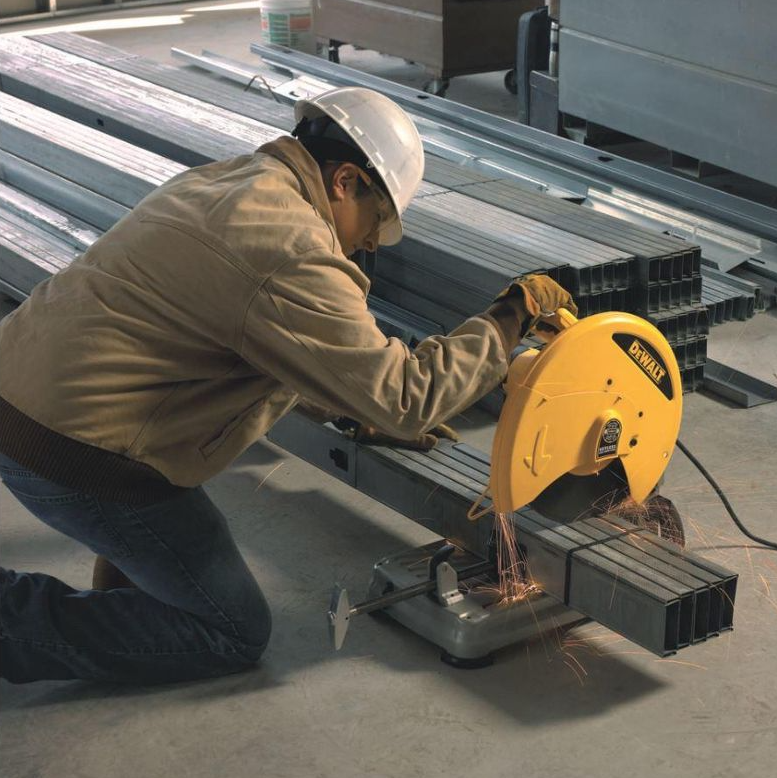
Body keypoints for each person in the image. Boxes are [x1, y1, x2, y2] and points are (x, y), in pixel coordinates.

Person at [0, 87, 576, 684]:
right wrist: (511, 315)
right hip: (74, 450)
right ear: (346, 181)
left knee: (168, 565)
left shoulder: (231, 182)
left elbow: (257, 341)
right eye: (378, 220)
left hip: (25, 397)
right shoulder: (292, 247)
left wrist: (349, 406)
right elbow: (408, 398)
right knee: (230, 630)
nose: (371, 241)